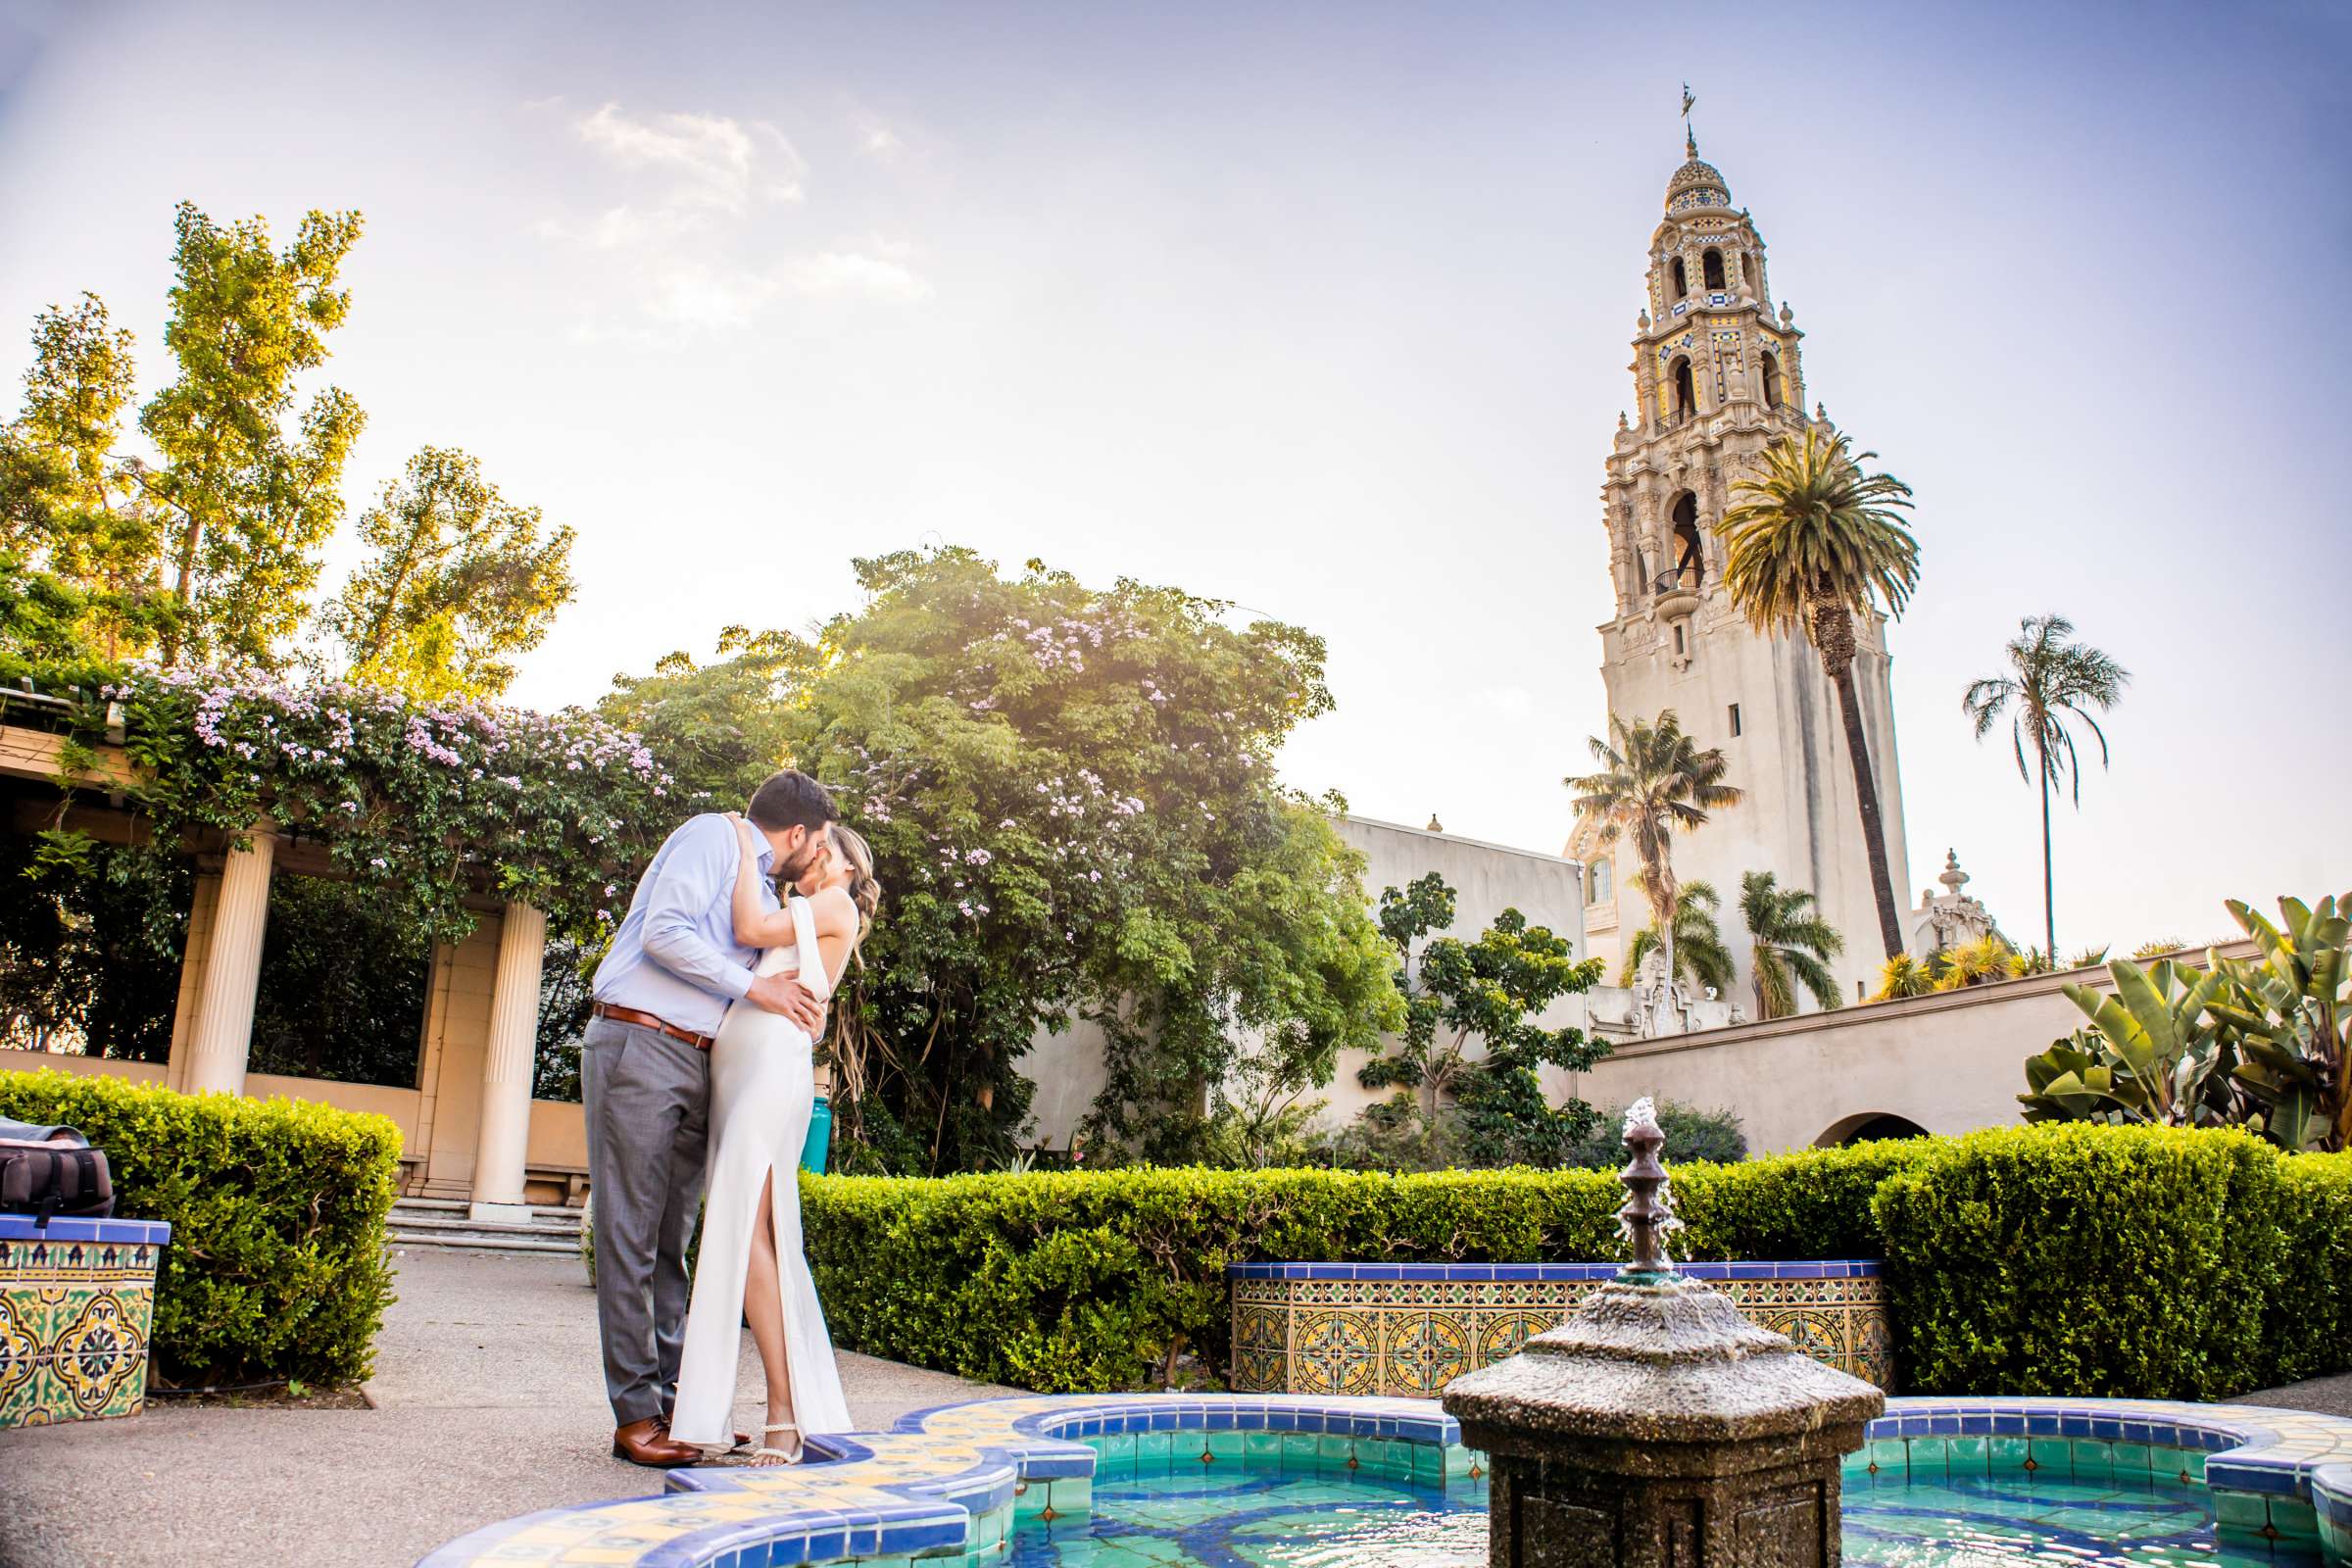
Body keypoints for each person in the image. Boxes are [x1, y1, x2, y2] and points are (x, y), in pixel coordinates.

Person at [583, 768, 837, 1469]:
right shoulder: (710, 838)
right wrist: (757, 985)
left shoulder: (760, 885)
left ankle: (674, 1407)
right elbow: (664, 932)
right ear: (797, 833)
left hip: (700, 1060)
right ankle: (634, 1413)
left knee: (672, 1239)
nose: (815, 855)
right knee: (629, 1231)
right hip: (641, 1039)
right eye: (815, 843)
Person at [668, 817, 880, 1464]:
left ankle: (784, 1414)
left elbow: (747, 932)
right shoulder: (804, 906)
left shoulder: (833, 903)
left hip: (767, 1067)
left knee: (754, 1235)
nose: (814, 852)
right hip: (740, 1064)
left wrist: (739, 842)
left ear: (846, 867)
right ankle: (724, 1407)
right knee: (739, 1232)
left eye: (826, 847)